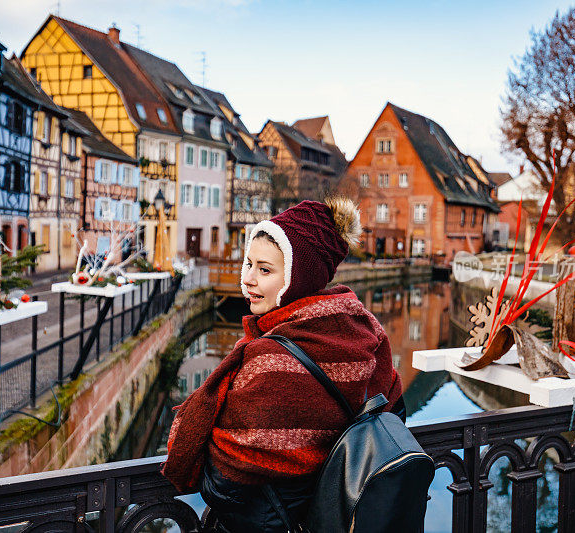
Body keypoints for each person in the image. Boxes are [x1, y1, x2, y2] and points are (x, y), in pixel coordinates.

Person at [162, 198, 404, 532]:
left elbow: (225, 481)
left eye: (265, 270)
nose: (247, 279)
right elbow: (392, 408)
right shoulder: (364, 331)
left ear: (298, 278)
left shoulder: (269, 359)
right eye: (248, 264)